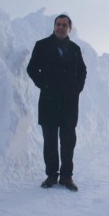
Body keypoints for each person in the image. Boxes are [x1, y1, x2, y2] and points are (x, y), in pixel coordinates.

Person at [27, 14, 87, 191]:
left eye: (64, 25)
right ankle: (52, 175)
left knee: (68, 142)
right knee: (50, 142)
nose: (60, 27)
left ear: (70, 28)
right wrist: (43, 84)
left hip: (69, 103)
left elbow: (82, 71)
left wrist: (77, 88)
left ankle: (66, 177)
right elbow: (31, 68)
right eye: (58, 24)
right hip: (49, 102)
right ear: (54, 26)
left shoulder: (75, 49)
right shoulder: (42, 45)